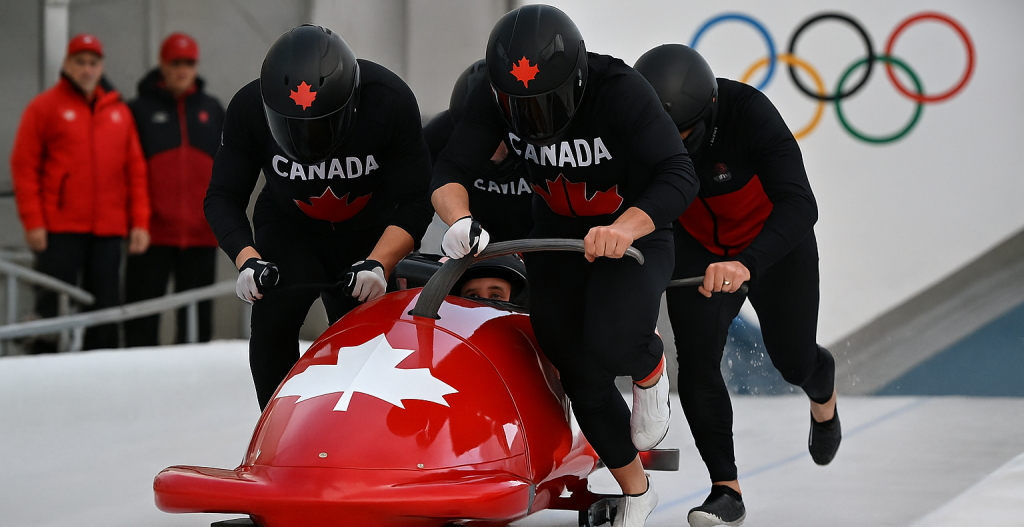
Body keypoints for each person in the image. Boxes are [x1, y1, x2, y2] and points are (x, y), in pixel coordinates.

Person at [430, 6, 699, 526]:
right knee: (572, 362)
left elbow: (678, 172)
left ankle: (649, 368)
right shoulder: (492, 96)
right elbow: (449, 167)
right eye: (520, 108)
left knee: (613, 339)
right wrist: (459, 220)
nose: (534, 119)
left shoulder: (619, 88)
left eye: (546, 104)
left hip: (633, 231)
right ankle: (637, 492)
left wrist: (626, 227)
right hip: (555, 234)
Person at [634, 44, 840, 527]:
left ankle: (822, 392)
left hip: (772, 246)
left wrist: (748, 263)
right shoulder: (633, 123)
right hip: (696, 248)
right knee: (699, 361)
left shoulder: (749, 113)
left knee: (792, 359)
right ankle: (726, 491)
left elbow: (800, 204)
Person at [204, 25, 433, 410]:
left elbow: (415, 200)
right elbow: (223, 196)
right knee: (273, 318)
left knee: (367, 338)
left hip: (368, 235)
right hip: (291, 230)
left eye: (320, 125)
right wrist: (248, 260)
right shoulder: (247, 109)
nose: (307, 138)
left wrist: (380, 262)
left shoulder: (389, 101)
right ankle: (276, 431)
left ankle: (365, 439)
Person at [10, 33, 150, 351]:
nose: (87, 70)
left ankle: (102, 372)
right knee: (51, 305)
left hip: (108, 230)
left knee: (105, 308)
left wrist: (140, 221)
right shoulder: (44, 108)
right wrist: (33, 222)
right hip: (59, 229)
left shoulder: (119, 112)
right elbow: (24, 166)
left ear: (101, 67)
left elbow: (135, 171)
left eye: (93, 63)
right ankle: (43, 368)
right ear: (67, 64)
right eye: (80, 62)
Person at [125, 32, 225, 346]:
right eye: (175, 62)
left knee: (197, 323)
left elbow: (230, 168)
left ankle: (196, 387)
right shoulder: (138, 110)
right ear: (162, 65)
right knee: (141, 319)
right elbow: (127, 171)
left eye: (189, 62)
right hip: (152, 234)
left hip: (200, 233)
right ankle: (135, 379)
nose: (182, 69)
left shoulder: (213, 109)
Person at [422, 59, 532, 242]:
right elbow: (411, 200)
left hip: (535, 237)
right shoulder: (436, 138)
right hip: (475, 237)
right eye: (474, 137)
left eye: (493, 135)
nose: (485, 148)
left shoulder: (536, 139)